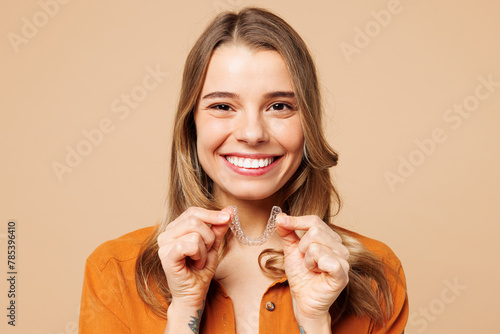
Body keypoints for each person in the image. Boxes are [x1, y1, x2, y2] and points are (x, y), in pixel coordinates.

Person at [79, 7, 408, 334]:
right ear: (191, 125)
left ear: (308, 122)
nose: (252, 134)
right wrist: (184, 312)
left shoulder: (373, 276)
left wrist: (315, 323)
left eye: (279, 106)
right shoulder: (115, 273)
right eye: (222, 106)